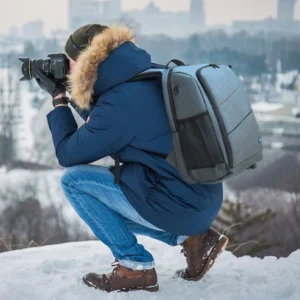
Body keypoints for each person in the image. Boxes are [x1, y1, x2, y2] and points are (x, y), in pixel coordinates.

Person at [35, 24, 228, 293]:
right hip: (200, 195)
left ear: (85, 62)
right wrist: (72, 91)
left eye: (68, 63)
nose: (66, 69)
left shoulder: (119, 105)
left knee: (74, 182)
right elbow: (104, 121)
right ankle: (194, 239)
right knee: (105, 211)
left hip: (180, 202)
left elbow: (68, 153)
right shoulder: (145, 74)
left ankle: (135, 268)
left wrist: (58, 100)